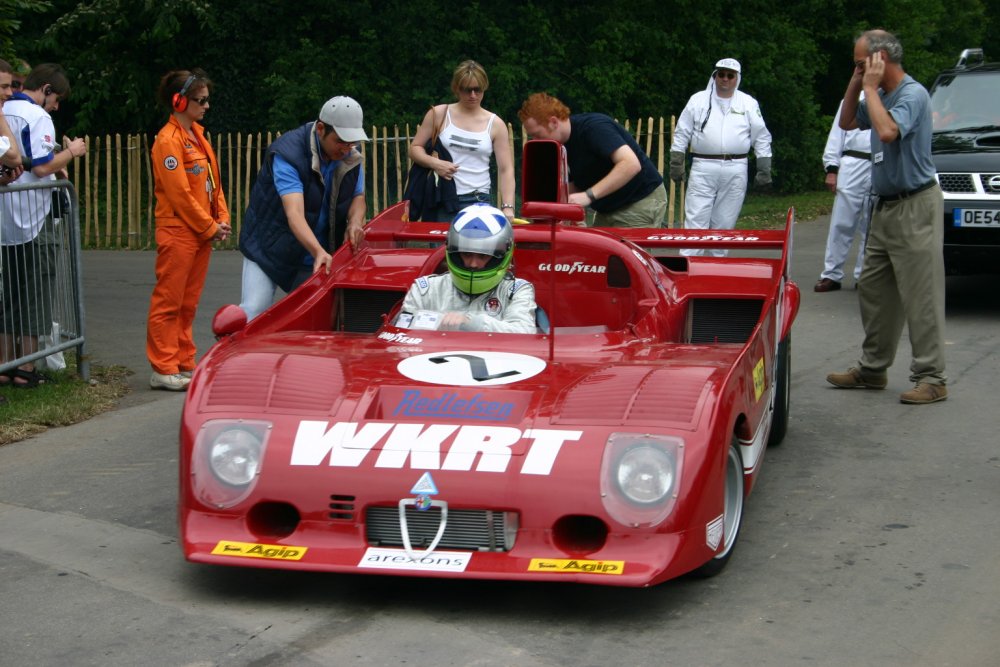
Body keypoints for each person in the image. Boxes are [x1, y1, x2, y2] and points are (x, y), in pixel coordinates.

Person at [826, 30, 947, 405]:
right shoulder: (874, 92)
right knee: (875, 292)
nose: (858, 69)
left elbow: (887, 131)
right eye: (856, 64)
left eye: (861, 62)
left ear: (881, 59)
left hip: (915, 205)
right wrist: (855, 83)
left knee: (920, 297)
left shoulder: (912, 94)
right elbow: (847, 123)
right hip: (885, 206)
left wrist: (872, 89)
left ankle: (932, 378)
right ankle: (874, 368)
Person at [238, 96, 368, 320]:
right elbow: (294, 214)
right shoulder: (287, 155)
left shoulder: (350, 156)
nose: (347, 149)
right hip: (267, 248)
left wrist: (355, 222)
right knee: (253, 312)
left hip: (313, 256)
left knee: (314, 320)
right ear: (320, 129)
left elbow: (358, 197)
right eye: (341, 141)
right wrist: (318, 251)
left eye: (352, 142)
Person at [1, 63, 87, 389]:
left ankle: (7, 365)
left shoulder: (5, 110)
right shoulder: (38, 117)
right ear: (46, 89)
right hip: (34, 219)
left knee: (10, 295)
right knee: (36, 293)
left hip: (7, 220)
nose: (56, 106)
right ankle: (26, 368)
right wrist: (71, 152)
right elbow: (40, 167)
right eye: (56, 99)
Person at [146, 69, 230, 391]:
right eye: (201, 100)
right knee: (169, 301)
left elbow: (212, 181)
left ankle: (183, 362)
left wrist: (220, 216)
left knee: (188, 304)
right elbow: (180, 195)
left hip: (200, 232)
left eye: (207, 99)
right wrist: (210, 225)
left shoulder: (197, 134)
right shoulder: (167, 142)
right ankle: (163, 367)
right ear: (179, 101)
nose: (207, 105)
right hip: (180, 230)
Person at [669, 58, 773, 256]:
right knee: (696, 220)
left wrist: (764, 167)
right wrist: (676, 161)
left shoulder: (748, 103)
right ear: (715, 76)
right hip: (703, 165)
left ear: (737, 78)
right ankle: (688, 269)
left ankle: (717, 269)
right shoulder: (698, 100)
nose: (725, 79)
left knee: (725, 222)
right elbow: (682, 132)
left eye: (730, 75)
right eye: (721, 74)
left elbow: (761, 136)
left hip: (736, 166)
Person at [517, 92, 667, 228]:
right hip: (609, 207)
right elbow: (576, 184)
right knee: (597, 254)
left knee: (622, 256)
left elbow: (631, 164)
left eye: (537, 134)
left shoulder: (594, 128)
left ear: (554, 122)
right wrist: (559, 207)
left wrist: (588, 196)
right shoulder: (559, 146)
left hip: (639, 200)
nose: (535, 140)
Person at [395, 203, 536, 333]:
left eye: (483, 256)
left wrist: (471, 322)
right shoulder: (425, 289)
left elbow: (524, 331)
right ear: (454, 251)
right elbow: (401, 329)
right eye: (467, 254)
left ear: (501, 255)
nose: (473, 264)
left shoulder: (516, 291)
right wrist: (439, 321)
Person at [408, 60, 516, 222]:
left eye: (477, 90)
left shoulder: (495, 124)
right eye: (467, 90)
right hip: (442, 199)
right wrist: (435, 163)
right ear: (457, 89)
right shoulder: (439, 114)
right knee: (440, 248)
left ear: (484, 88)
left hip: (479, 201)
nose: (473, 95)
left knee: (475, 248)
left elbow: (506, 169)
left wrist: (508, 207)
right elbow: (414, 148)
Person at [815, 97, 873, 292]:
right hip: (852, 160)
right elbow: (837, 133)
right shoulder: (853, 98)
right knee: (842, 222)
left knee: (872, 225)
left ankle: (865, 275)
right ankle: (832, 274)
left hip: (880, 162)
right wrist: (832, 168)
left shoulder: (892, 96)